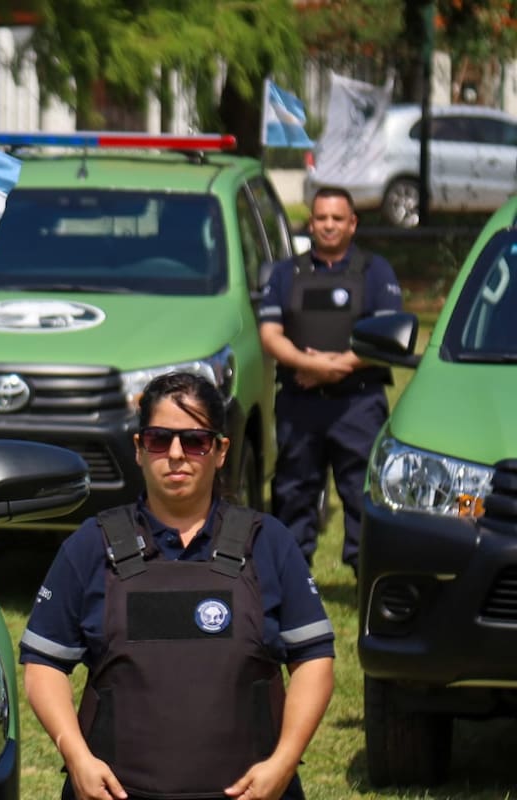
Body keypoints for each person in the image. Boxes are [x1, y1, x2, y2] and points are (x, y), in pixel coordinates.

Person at [21, 372, 334, 800]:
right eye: (158, 439)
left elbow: (314, 660)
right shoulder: (90, 546)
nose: (175, 454)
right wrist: (76, 755)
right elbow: (44, 664)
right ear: (138, 448)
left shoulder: (269, 543)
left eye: (194, 441)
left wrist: (283, 763)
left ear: (221, 451)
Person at [258, 187, 403, 574]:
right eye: (321, 218)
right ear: (311, 222)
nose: (329, 225)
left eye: (337, 218)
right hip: (299, 404)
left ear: (352, 223)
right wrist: (312, 366)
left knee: (364, 496)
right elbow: (270, 334)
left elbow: (390, 336)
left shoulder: (377, 272)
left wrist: (336, 365)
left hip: (358, 404)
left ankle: (368, 579)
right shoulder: (285, 274)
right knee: (292, 493)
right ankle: (291, 581)